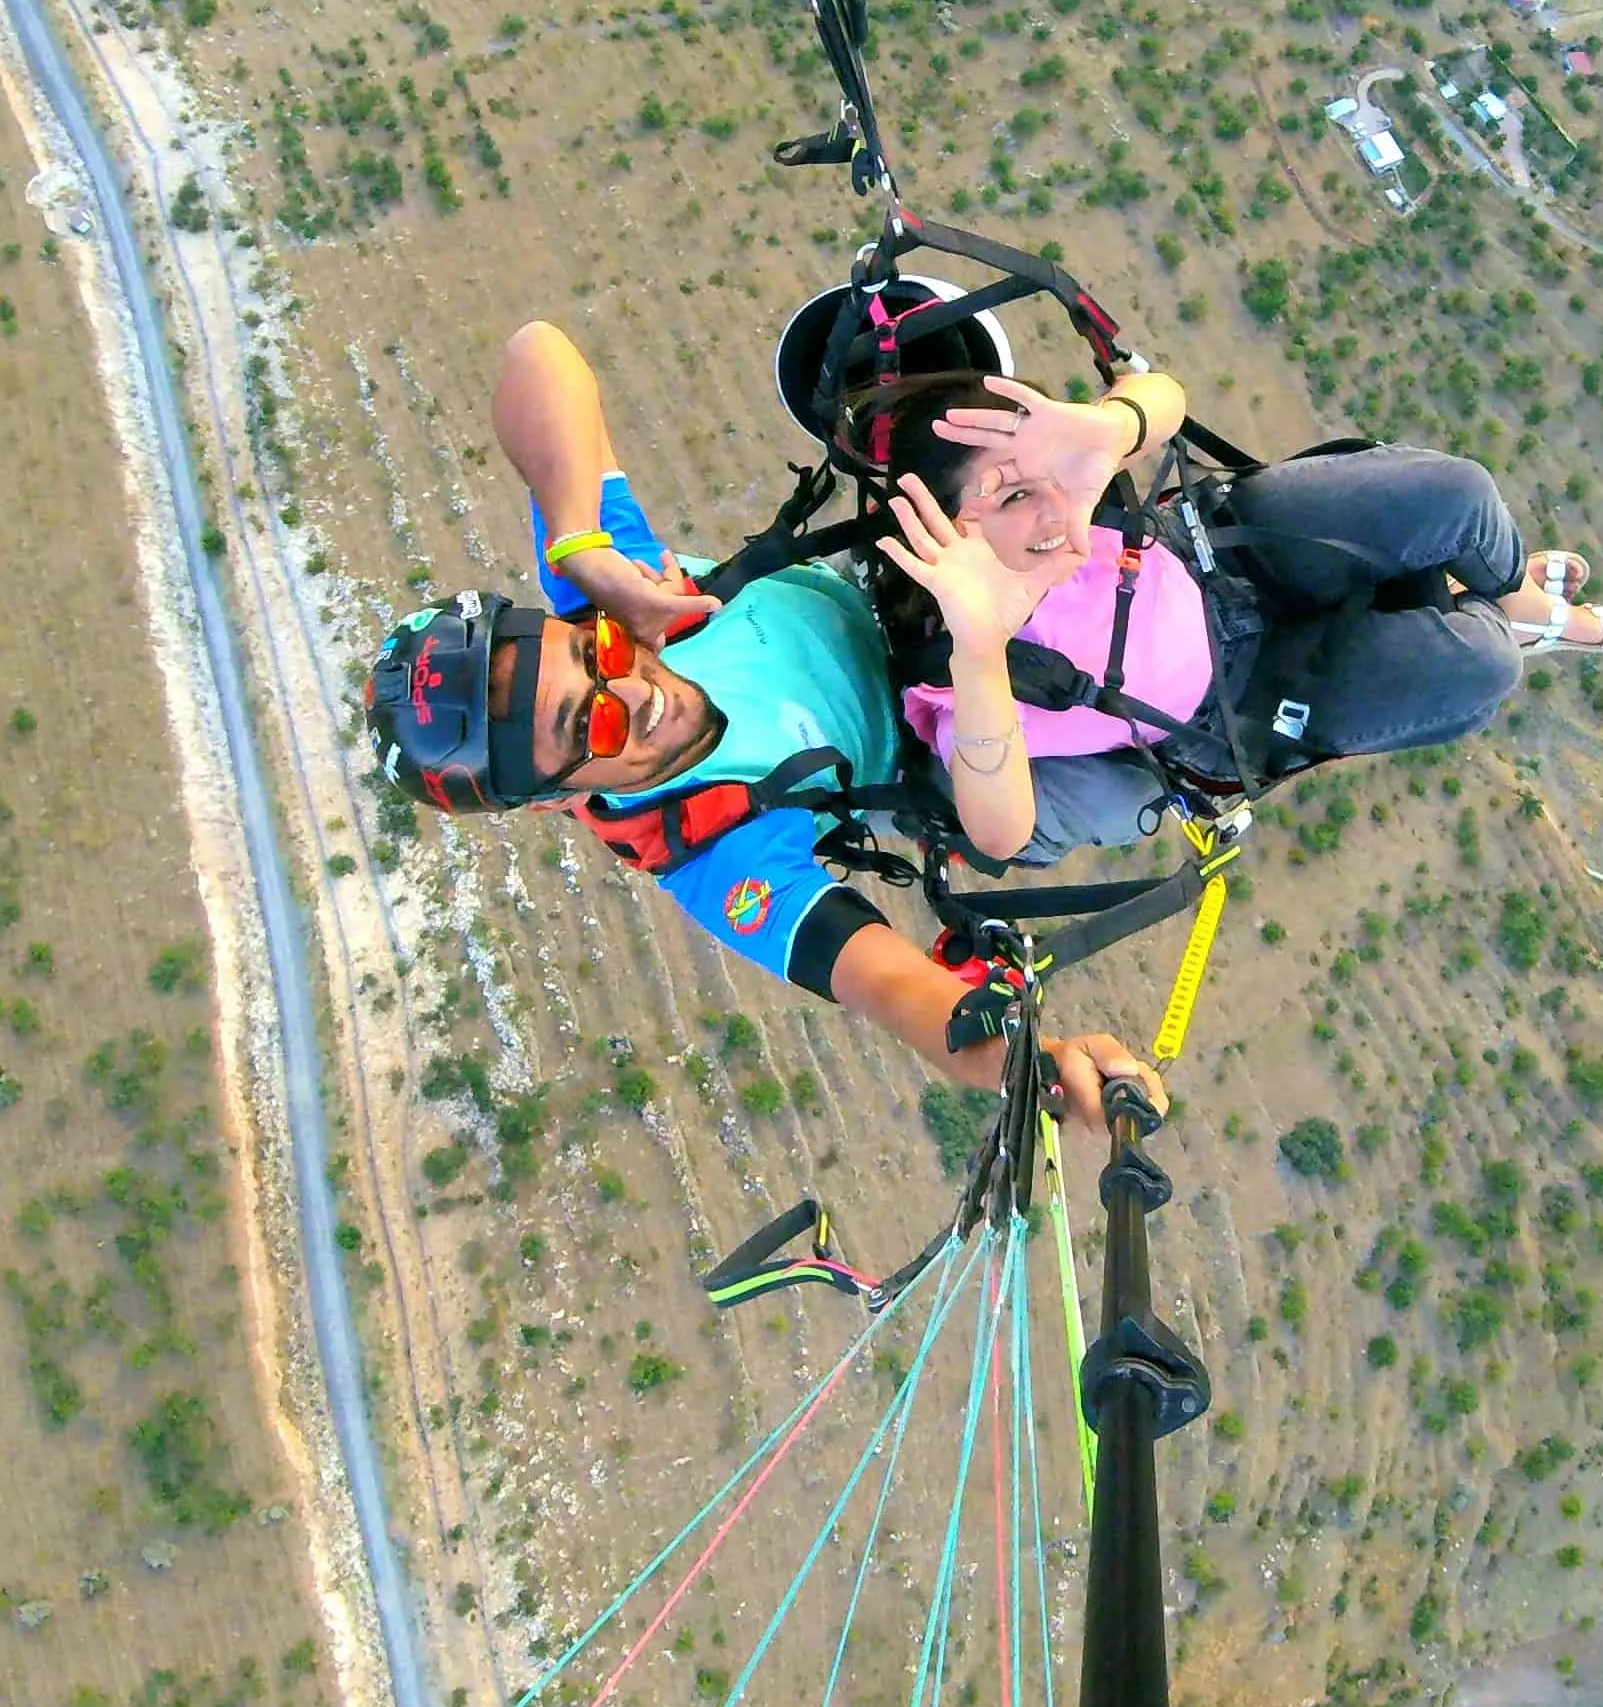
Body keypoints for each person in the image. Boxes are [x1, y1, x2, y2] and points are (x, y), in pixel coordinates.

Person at [365, 320, 1162, 1134]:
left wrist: (578, 545)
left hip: (899, 590)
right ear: (547, 800)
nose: (634, 690)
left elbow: (536, 352)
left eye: (596, 651)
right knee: (1141, 769)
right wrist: (1038, 1066)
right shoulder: (709, 848)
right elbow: (889, 988)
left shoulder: (625, 594)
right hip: (958, 752)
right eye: (593, 725)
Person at [863, 367, 1603, 865]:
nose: (1059, 510)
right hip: (1237, 701)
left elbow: (1163, 392)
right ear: (941, 534)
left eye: (1047, 479)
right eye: (1013, 496)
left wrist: (1109, 429)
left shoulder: (1070, 493)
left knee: (1460, 496)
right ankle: (1515, 624)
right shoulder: (970, 674)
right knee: (1483, 667)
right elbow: (998, 830)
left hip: (1221, 557)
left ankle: (1521, 601)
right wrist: (978, 643)